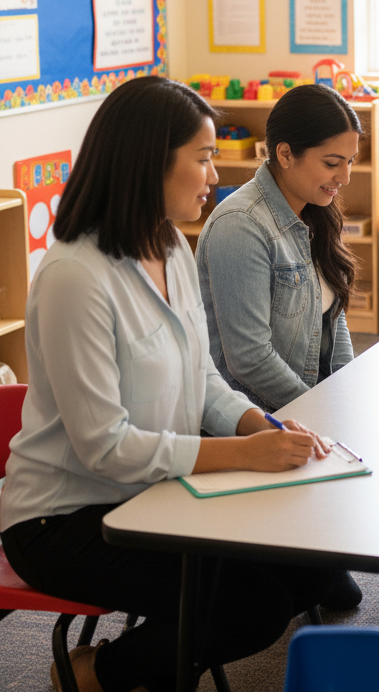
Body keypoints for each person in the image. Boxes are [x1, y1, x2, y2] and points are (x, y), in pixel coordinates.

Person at [0, 77, 334, 692]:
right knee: (250, 605)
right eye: (204, 158)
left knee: (303, 572)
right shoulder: (75, 275)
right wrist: (241, 455)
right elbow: (106, 445)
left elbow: (201, 378)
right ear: (152, 161)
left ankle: (131, 661)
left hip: (153, 491)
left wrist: (259, 425)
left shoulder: (171, 245)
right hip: (65, 519)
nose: (214, 175)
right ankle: (95, 673)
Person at [197, 81, 363, 610]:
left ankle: (312, 544)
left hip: (302, 406)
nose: (344, 178)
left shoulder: (310, 209)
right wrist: (315, 417)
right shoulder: (240, 226)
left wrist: (347, 397)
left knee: (332, 588)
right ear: (284, 154)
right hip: (256, 416)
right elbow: (247, 358)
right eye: (332, 163)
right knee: (298, 596)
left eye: (351, 162)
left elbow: (330, 316)